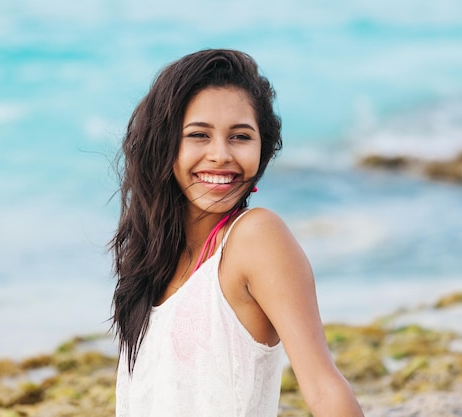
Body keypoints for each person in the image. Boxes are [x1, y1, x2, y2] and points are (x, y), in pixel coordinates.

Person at [110, 49, 364, 417]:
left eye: (240, 137)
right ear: (163, 145)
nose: (220, 155)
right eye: (199, 134)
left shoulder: (256, 238)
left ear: (262, 149)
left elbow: (325, 389)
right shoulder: (151, 264)